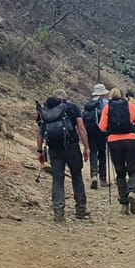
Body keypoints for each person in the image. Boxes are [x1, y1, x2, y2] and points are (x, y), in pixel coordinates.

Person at [36, 89, 91, 222]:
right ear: (66, 97)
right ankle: (80, 209)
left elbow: (40, 133)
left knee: (57, 179)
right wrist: (86, 147)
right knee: (76, 176)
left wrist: (39, 152)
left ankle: (58, 214)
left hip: (54, 148)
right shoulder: (72, 108)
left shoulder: (46, 110)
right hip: (71, 146)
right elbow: (81, 128)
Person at [98, 88, 135, 215]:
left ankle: (124, 205)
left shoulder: (107, 108)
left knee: (120, 173)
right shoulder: (131, 106)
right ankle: (132, 191)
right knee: (134, 169)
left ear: (110, 97)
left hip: (114, 142)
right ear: (122, 96)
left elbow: (101, 127)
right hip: (132, 140)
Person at [84, 84, 109, 189]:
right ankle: (103, 179)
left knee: (93, 152)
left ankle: (94, 175)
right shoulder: (105, 103)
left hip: (90, 131)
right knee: (102, 153)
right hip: (101, 131)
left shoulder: (88, 103)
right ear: (103, 93)